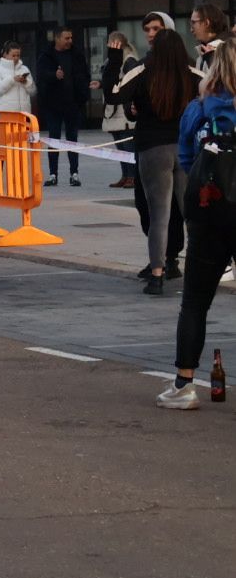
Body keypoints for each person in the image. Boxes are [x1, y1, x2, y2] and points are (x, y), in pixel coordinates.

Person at [158, 41, 236, 409]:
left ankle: (184, 385)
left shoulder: (199, 108)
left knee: (195, 302)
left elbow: (186, 157)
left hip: (209, 211)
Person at [124, 31, 195, 296]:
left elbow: (114, 93)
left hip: (153, 147)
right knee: (192, 214)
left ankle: (157, 274)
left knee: (159, 217)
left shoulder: (145, 71)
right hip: (184, 147)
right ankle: (201, 268)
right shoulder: (190, 74)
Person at [36, 27, 90, 185]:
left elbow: (84, 74)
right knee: (54, 139)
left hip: (73, 104)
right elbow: (40, 75)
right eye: (67, 38)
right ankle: (53, 174)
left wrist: (83, 92)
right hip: (53, 105)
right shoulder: (46, 56)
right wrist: (54, 75)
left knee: (72, 139)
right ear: (57, 38)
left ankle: (74, 173)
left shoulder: (77, 55)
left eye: (71, 38)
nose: (70, 41)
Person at [99, 32, 140, 188]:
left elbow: (130, 81)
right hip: (113, 109)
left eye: (112, 42)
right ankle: (125, 174)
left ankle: (132, 175)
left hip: (123, 109)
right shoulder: (111, 60)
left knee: (128, 144)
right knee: (120, 146)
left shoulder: (129, 60)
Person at [0, 41, 34, 115]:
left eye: (18, 55)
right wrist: (12, 80)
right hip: (6, 115)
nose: (16, 58)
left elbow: (32, 91)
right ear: (5, 55)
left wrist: (26, 82)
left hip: (24, 114)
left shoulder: (24, 69)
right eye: (13, 55)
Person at [190, 4, 233, 72]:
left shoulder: (230, 50)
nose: (191, 29)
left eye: (193, 23)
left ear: (207, 23)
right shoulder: (204, 53)